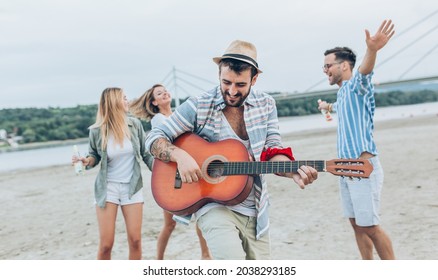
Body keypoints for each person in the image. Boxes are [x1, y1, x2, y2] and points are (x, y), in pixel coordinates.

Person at [145, 40, 318, 260]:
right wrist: (179, 156)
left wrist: (292, 170)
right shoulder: (199, 105)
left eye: (240, 84)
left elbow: (272, 150)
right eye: (226, 82)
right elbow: (153, 138)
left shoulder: (267, 105)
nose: (232, 91)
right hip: (212, 206)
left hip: (255, 206)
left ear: (254, 79)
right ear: (218, 74)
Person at [318, 20, 396, 260]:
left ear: (344, 65)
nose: (325, 70)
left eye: (328, 66)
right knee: (356, 224)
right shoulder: (343, 94)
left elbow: (365, 72)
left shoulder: (357, 87)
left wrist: (371, 49)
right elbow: (338, 106)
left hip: (363, 168)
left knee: (370, 226)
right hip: (345, 169)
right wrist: (325, 106)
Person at [130, 84, 212, 260]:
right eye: (159, 93)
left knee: (201, 212)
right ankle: (158, 260)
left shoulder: (177, 115)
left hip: (188, 169)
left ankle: (206, 255)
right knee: (169, 225)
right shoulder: (158, 120)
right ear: (154, 102)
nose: (165, 93)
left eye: (165, 90)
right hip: (171, 175)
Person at [72, 87, 153, 260]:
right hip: (108, 188)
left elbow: (146, 154)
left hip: (132, 187)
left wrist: (163, 173)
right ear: (114, 102)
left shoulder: (135, 125)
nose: (128, 101)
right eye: (124, 98)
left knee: (136, 240)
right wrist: (86, 161)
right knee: (106, 245)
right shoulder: (97, 130)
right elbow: (93, 155)